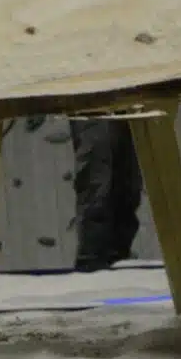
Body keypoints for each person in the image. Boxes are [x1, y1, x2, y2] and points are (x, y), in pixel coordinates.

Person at [70, 116, 141, 272]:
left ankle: (115, 257)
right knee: (98, 176)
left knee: (127, 180)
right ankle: (92, 260)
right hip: (92, 108)